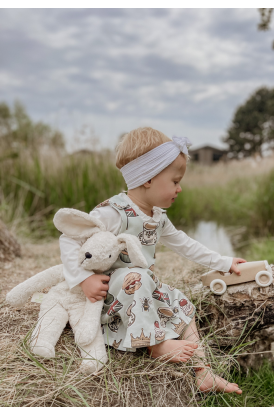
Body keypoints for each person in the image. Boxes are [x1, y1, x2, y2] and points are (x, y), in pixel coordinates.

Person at [60, 127, 246, 394]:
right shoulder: (114, 213)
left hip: (142, 288)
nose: (179, 188)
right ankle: (155, 345)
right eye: (174, 181)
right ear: (148, 178)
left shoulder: (158, 216)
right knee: (138, 277)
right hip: (112, 293)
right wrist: (84, 279)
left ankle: (203, 371)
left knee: (183, 303)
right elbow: (69, 238)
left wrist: (223, 262)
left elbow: (184, 243)